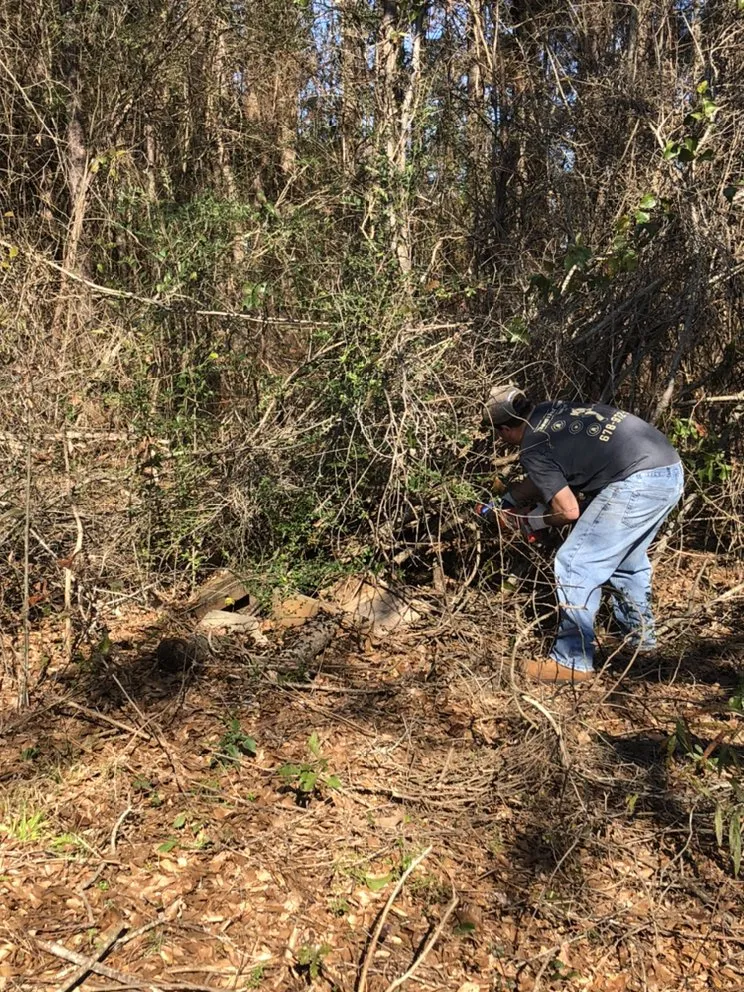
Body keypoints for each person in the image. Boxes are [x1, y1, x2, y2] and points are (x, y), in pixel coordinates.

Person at [482, 385, 684, 683]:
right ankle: (639, 642)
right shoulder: (553, 410)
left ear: (504, 430)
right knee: (626, 562)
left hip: (636, 481)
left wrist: (527, 522)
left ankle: (571, 662)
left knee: (576, 562)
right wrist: (508, 500)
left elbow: (568, 511)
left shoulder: (532, 446)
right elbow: (550, 475)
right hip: (668, 469)